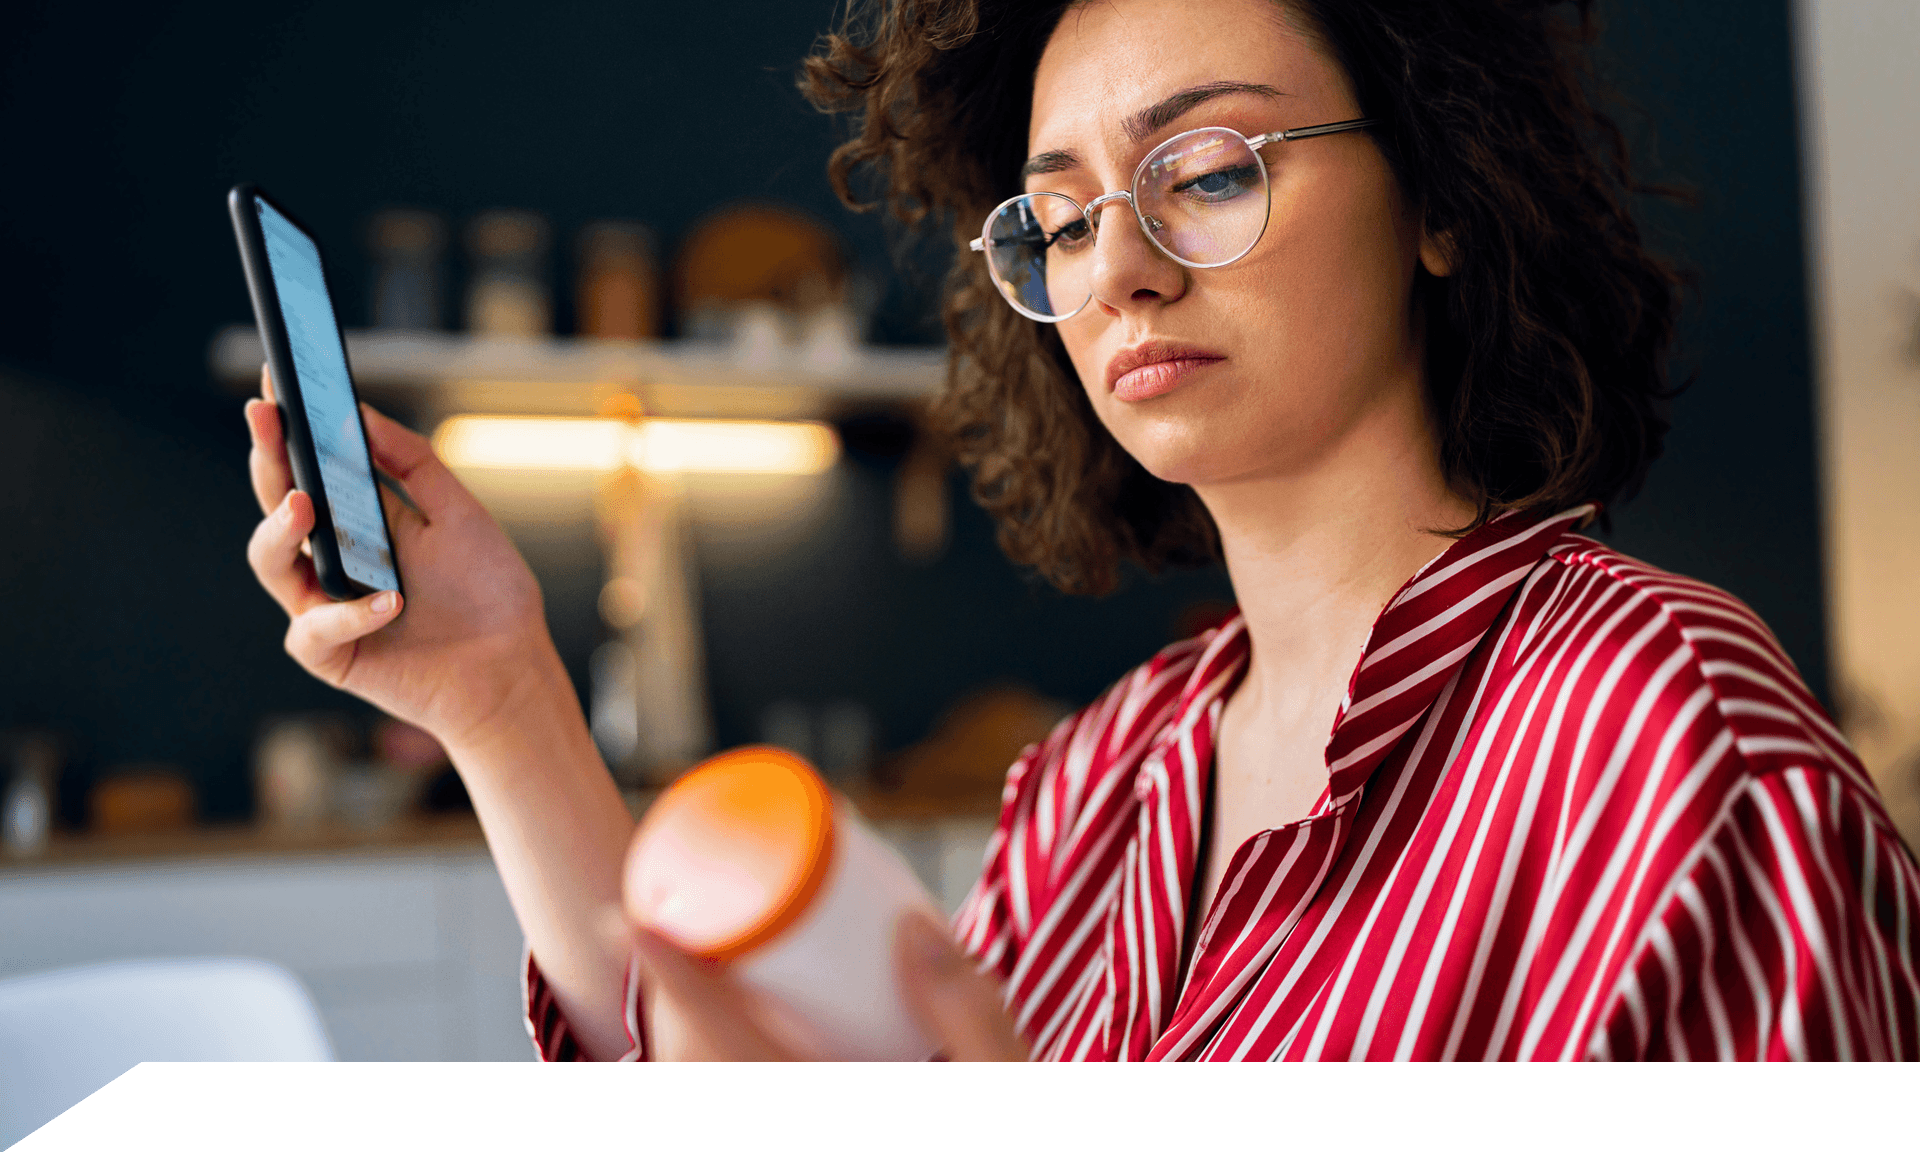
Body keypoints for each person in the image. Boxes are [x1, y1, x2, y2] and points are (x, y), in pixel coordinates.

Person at [242, 0, 1920, 1060]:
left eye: (1204, 168)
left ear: (1437, 196)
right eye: (1057, 218)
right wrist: (498, 691)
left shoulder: (1672, 731)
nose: (1112, 268)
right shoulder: (1095, 782)